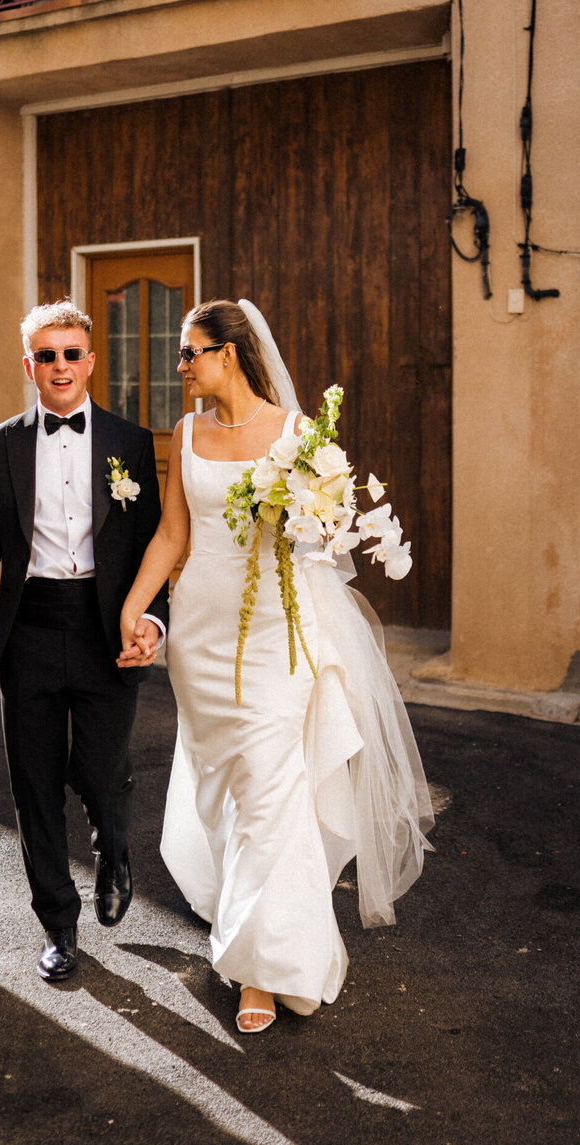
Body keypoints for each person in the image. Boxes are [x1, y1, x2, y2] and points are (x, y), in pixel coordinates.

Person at [119, 299, 434, 1033]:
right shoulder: (189, 432)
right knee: (228, 792)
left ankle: (262, 970)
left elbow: (323, 538)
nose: (181, 365)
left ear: (228, 354)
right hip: (201, 635)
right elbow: (172, 534)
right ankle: (254, 922)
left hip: (275, 637)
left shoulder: (298, 436)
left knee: (272, 791)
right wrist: (136, 608)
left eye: (190, 352)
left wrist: (321, 520)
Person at [0, 300, 168, 983]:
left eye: (72, 353)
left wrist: (153, 622)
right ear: (29, 365)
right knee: (34, 784)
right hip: (31, 628)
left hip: (108, 630)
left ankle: (113, 846)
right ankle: (59, 926)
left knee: (100, 770)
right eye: (47, 355)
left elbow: (158, 543)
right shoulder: (0, 443)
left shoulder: (130, 442)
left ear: (91, 360)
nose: (60, 366)